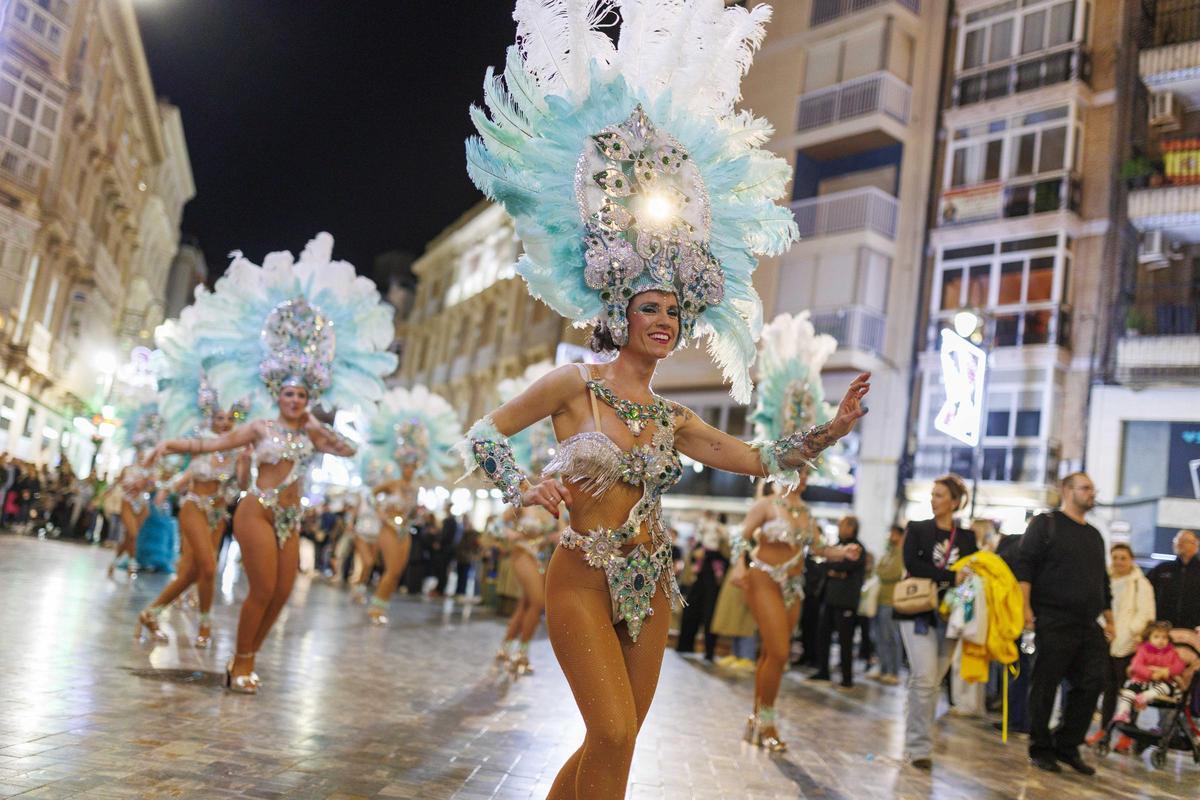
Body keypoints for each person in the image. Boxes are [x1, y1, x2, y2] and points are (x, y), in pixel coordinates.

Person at [144, 233, 395, 692]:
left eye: (302, 394)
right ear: (277, 393)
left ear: (310, 395)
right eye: (288, 393)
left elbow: (349, 450)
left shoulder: (312, 430)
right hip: (256, 510)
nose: (295, 399)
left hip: (290, 518)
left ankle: (247, 657)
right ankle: (240, 663)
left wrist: (317, 427)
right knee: (261, 589)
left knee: (281, 593)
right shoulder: (259, 427)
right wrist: (167, 447)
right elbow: (211, 444)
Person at [1016, 471, 1114, 776]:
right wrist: (1025, 607)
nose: (1092, 493)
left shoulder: (1094, 534)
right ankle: (1040, 748)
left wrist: (1110, 617)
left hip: (1088, 622)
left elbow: (1102, 580)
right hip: (1053, 617)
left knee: (1093, 682)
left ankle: (1067, 745)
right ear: (1066, 490)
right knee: (1045, 685)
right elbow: (1025, 567)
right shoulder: (1046, 524)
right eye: (1085, 488)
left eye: (1092, 488)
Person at [895, 473, 979, 769]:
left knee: (930, 684)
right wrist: (950, 576)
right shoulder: (918, 528)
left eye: (940, 495)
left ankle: (915, 731)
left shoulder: (967, 537)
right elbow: (912, 564)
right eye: (932, 495)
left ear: (955, 502)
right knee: (925, 678)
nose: (934, 500)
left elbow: (973, 572)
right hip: (918, 610)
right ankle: (919, 748)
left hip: (951, 616)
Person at [359, 384, 460, 623]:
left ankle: (381, 606)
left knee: (397, 572)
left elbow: (412, 511)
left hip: (405, 529)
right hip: (388, 527)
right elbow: (371, 495)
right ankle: (375, 608)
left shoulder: (414, 488)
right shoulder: (392, 483)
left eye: (413, 465)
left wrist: (418, 515)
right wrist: (380, 513)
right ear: (401, 463)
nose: (409, 468)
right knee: (390, 569)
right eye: (406, 464)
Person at [1088, 542, 1155, 749]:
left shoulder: (1140, 584)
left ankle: (1127, 734)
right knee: (1108, 689)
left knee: (1128, 690)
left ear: (1131, 560)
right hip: (1106, 640)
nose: (1119, 562)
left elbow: (1146, 613)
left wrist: (1132, 632)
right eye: (1115, 557)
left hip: (1129, 644)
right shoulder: (1105, 580)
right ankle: (1104, 730)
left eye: (1123, 558)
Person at [812, 515, 866, 688]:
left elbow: (845, 566)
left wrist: (833, 566)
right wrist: (834, 568)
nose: (839, 528)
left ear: (851, 528)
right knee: (823, 636)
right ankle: (823, 672)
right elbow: (822, 565)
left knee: (845, 640)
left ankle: (847, 678)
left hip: (846, 601)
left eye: (842, 525)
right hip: (829, 598)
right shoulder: (836, 546)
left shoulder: (857, 548)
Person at [1111, 620, 1189, 724]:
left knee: (1166, 687)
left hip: (1162, 683)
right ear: (1149, 638)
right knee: (1128, 692)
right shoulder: (1143, 650)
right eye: (1156, 637)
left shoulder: (1171, 652)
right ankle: (1123, 712)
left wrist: (1167, 671)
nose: (1161, 640)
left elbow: (1180, 666)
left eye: (1164, 637)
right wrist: (1150, 674)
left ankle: (1144, 697)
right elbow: (1136, 665)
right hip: (1142, 681)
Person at [676, 510, 729, 661]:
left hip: (713, 580)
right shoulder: (701, 537)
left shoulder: (723, 538)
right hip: (699, 578)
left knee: (710, 614)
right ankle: (685, 646)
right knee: (691, 611)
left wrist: (710, 554)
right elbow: (694, 556)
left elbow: (726, 556)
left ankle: (709, 651)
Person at [870, 525, 906, 685]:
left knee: (891, 636)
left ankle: (894, 671)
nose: (890, 537)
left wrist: (882, 571)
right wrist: (881, 570)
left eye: (893, 534)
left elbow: (893, 573)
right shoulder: (888, 552)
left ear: (900, 536)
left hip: (891, 601)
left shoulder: (901, 553)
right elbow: (877, 568)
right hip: (880, 599)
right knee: (879, 636)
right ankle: (883, 667)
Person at [1146, 529, 1200, 632]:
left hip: (1195, 631)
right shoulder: (1161, 569)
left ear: (1195, 545)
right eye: (1177, 540)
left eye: (1184, 541)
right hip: (1163, 631)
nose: (1179, 544)